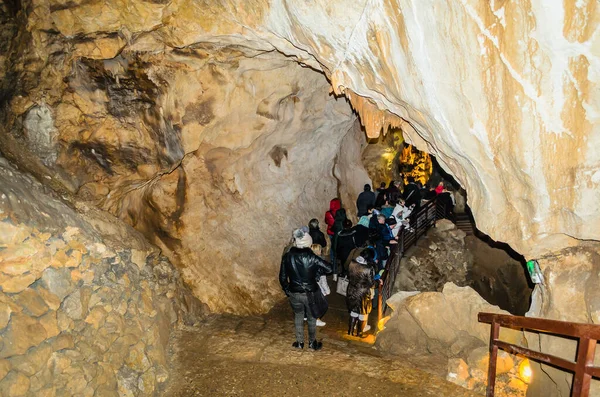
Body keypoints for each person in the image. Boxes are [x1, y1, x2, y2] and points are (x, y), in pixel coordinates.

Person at [280, 228, 332, 350]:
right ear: (308, 242)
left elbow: (282, 277)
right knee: (311, 317)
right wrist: (316, 272)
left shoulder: (287, 256)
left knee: (298, 315)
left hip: (294, 292)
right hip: (310, 293)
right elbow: (329, 268)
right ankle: (312, 343)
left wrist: (287, 289)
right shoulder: (312, 257)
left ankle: (299, 342)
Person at [346, 248, 379, 337]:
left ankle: (350, 331)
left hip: (351, 290)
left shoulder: (352, 263)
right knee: (363, 312)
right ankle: (359, 332)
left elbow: (349, 275)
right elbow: (371, 284)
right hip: (363, 293)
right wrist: (379, 282)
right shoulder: (368, 268)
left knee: (353, 311)